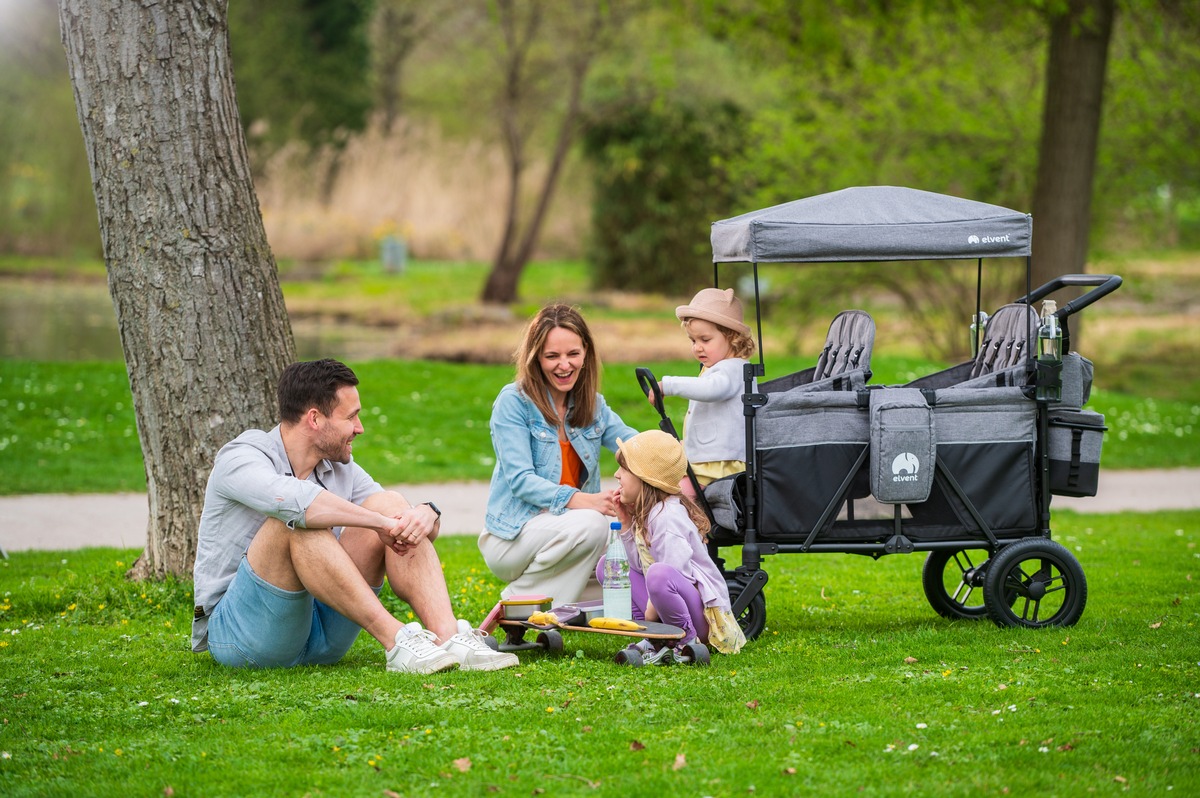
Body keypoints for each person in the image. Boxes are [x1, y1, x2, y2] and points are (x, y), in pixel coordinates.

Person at [192, 358, 517, 674]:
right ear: (315, 419)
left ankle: (450, 638)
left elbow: (400, 523)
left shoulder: (339, 467)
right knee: (295, 520)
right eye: (352, 417)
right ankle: (397, 641)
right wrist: (382, 524)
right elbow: (300, 503)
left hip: (321, 636)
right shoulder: (241, 458)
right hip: (244, 637)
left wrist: (424, 515)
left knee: (389, 502)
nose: (359, 428)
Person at [480, 303, 639, 606]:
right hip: (513, 536)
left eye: (572, 354)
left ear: (586, 353)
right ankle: (517, 604)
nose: (564, 365)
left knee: (634, 546)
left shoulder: (591, 404)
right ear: (536, 358)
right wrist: (587, 502)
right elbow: (521, 480)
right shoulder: (513, 402)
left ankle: (563, 606)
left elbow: (629, 443)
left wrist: (669, 452)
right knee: (594, 524)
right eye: (552, 356)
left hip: (569, 531)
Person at [596, 430, 745, 663]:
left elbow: (676, 574)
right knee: (608, 565)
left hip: (700, 617)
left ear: (646, 477)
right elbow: (637, 565)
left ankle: (686, 640)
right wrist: (626, 525)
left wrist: (650, 611)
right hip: (667, 600)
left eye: (623, 469)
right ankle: (648, 634)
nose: (616, 475)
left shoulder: (667, 518)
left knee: (658, 573)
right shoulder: (647, 512)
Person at [656, 287, 756, 496]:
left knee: (679, 495)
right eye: (693, 341)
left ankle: (686, 526)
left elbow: (712, 389)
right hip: (709, 459)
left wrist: (670, 385)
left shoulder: (734, 368)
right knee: (671, 489)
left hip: (721, 462)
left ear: (732, 337)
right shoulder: (718, 368)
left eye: (705, 340)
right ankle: (689, 523)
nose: (697, 347)